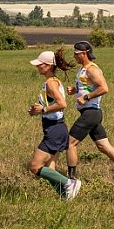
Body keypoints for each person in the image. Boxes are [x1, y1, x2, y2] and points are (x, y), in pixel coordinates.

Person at [65, 41, 114, 187]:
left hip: (91, 113)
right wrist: (75, 90)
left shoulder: (92, 69)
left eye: (76, 54)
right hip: (91, 113)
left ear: (85, 53)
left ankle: (71, 181)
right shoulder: (83, 69)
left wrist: (86, 97)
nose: (74, 56)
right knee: (103, 146)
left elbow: (104, 88)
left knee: (70, 143)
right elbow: (88, 86)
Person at [27, 49, 81, 200]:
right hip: (56, 127)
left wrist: (43, 109)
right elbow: (51, 103)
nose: (37, 67)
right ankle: (65, 195)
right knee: (50, 167)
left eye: (40, 64)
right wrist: (37, 110)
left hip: (55, 129)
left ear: (49, 66)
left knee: (35, 167)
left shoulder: (51, 83)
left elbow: (62, 104)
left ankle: (69, 183)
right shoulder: (53, 81)